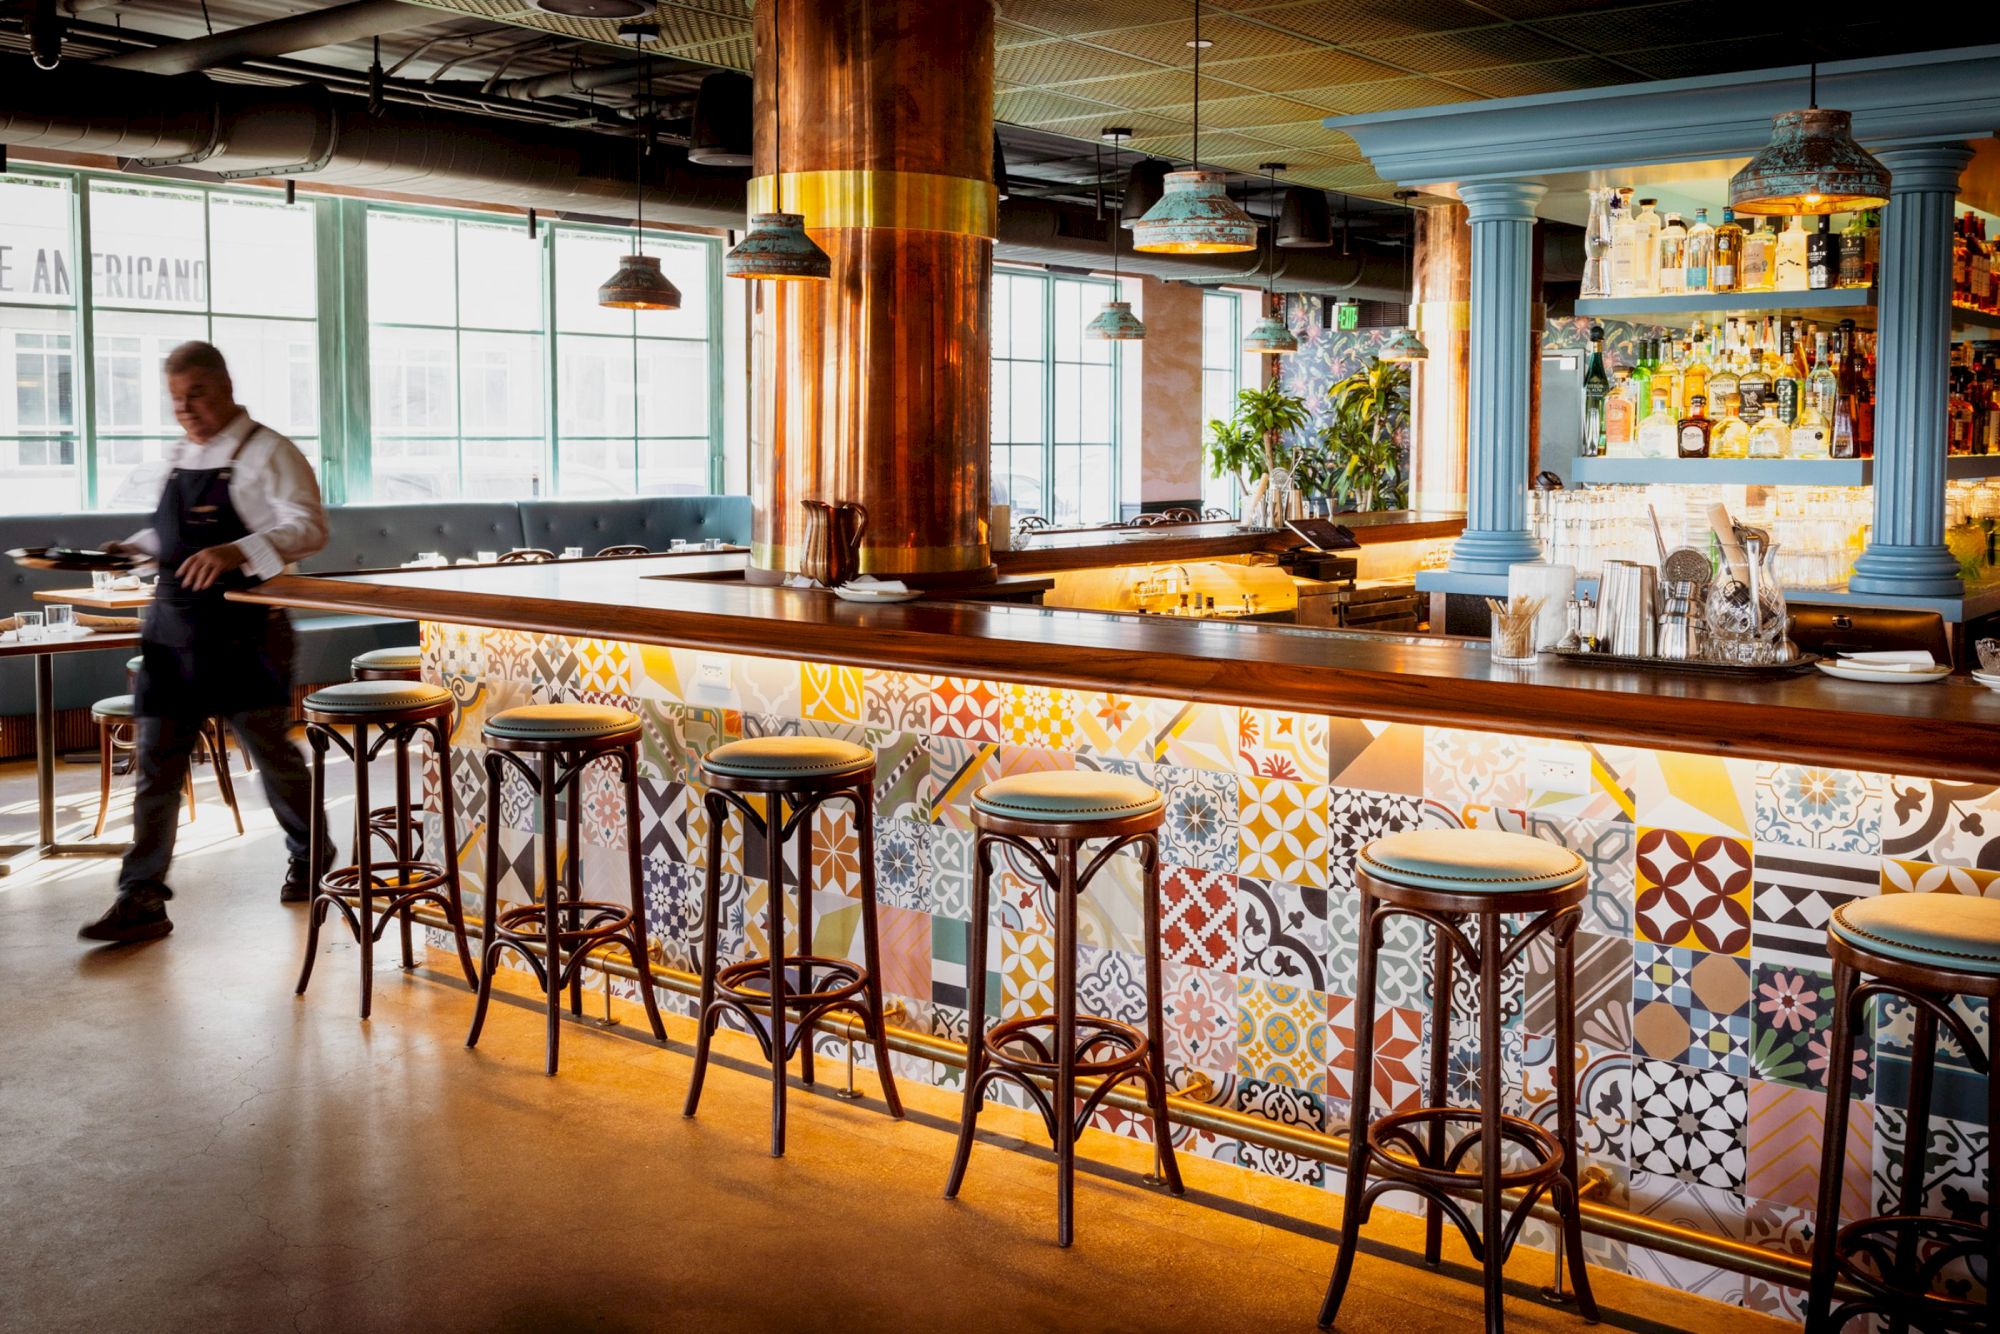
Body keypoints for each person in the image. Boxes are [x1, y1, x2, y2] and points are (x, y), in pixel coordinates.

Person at [79, 341, 332, 944]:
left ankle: (311, 856)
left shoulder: (269, 450)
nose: (186, 409)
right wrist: (134, 548)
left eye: (197, 395)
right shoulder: (181, 452)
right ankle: (140, 896)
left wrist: (236, 550)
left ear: (225, 387)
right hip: (171, 633)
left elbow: (310, 527)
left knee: (271, 756)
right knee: (157, 766)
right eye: (176, 399)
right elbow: (172, 532)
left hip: (245, 634)